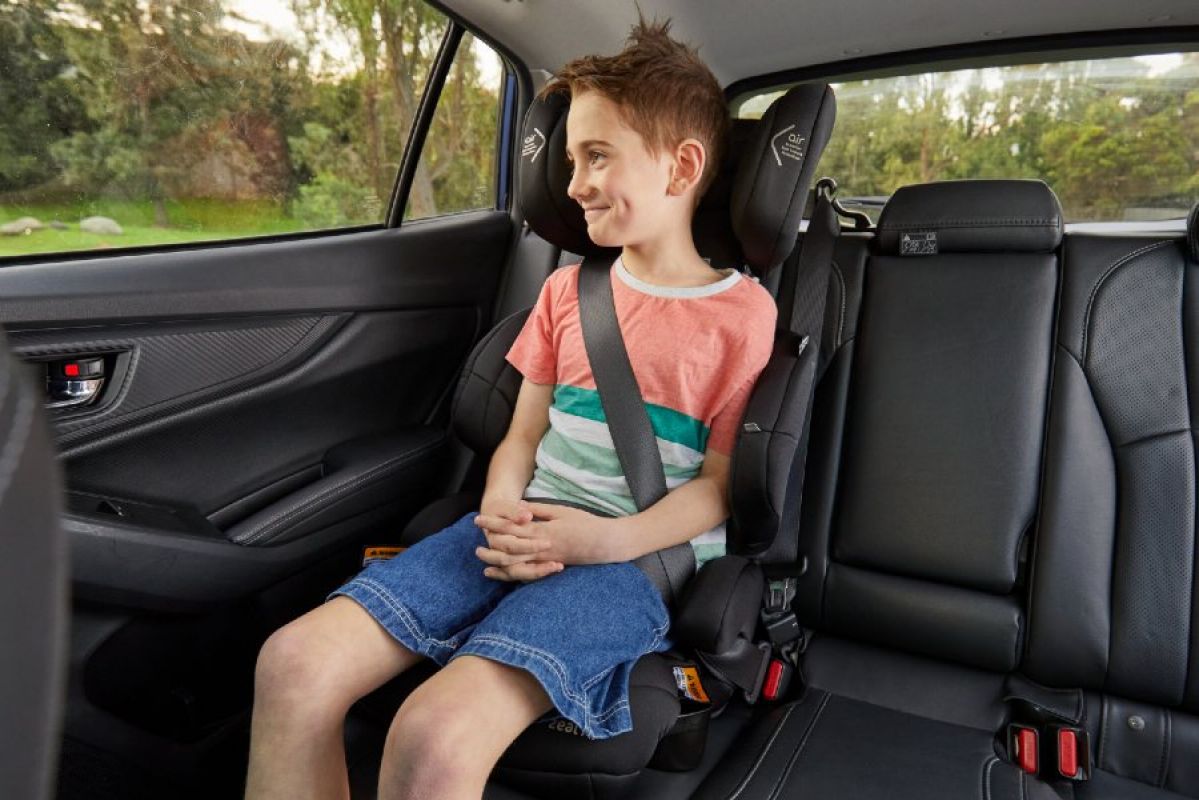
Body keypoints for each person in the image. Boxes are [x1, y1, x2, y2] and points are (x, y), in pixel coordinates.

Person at [244, 17, 776, 800]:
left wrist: (607, 539)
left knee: (433, 734)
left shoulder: (742, 316)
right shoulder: (567, 293)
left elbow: (718, 485)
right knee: (290, 663)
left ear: (682, 166)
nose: (573, 185)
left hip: (628, 561)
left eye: (597, 156)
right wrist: (499, 508)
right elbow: (523, 434)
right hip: (511, 530)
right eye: (568, 161)